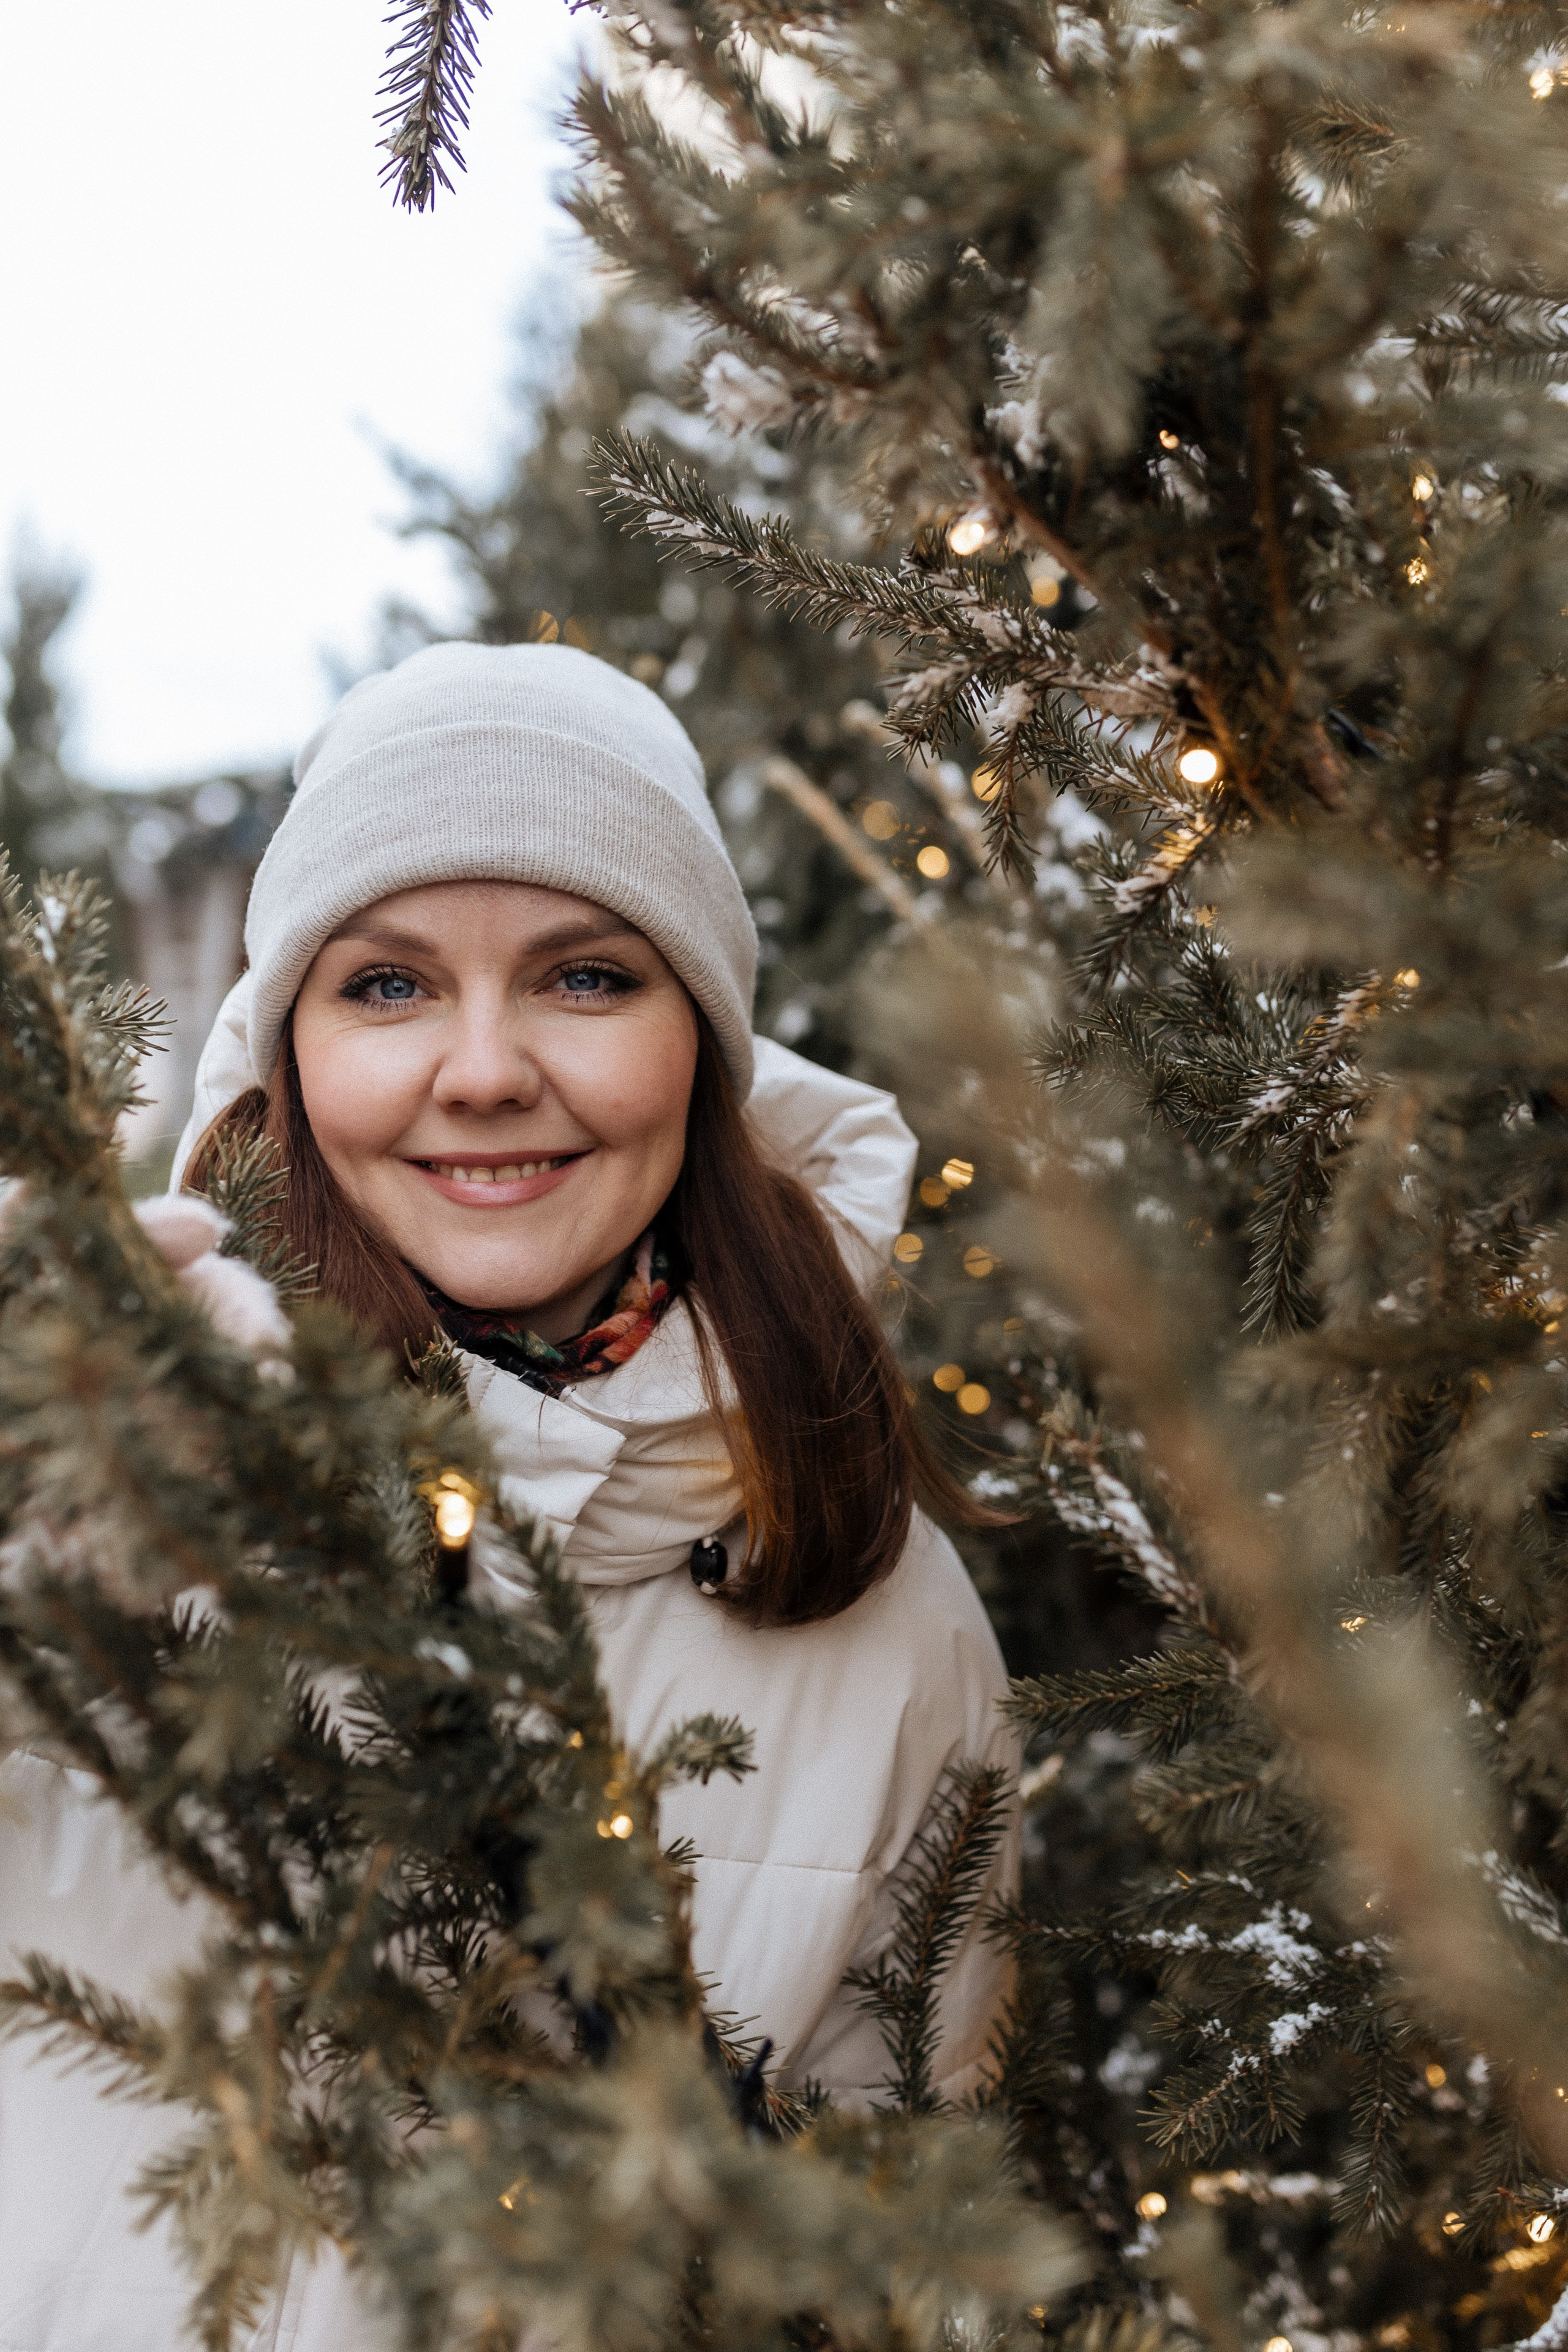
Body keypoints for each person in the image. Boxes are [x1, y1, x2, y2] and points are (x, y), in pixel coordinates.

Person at [0, 643, 1018, 2351]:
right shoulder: (104, 1478)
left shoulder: (894, 1625)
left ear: (699, 1039)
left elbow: (900, 2270)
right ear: (288, 1051)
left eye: (586, 978)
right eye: (387, 988)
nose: (480, 1070)